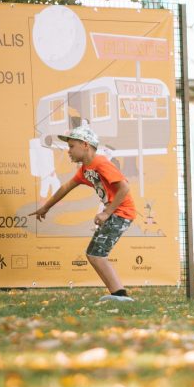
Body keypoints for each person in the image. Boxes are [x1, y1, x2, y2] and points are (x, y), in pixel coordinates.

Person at [29, 124, 137, 302]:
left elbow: (124, 187)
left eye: (71, 146)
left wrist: (106, 213)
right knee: (94, 253)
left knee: (96, 254)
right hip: (115, 213)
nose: (68, 151)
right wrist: (46, 207)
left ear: (85, 145)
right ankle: (118, 294)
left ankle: (120, 295)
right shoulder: (85, 170)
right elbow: (65, 187)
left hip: (121, 213)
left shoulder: (101, 163)